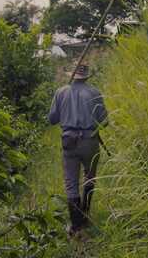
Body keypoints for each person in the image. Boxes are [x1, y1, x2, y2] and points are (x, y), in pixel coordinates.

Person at [48, 63, 108, 237]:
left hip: (69, 141)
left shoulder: (61, 92)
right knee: (90, 178)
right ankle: (85, 216)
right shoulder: (95, 93)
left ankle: (76, 226)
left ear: (72, 75)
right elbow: (104, 121)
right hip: (90, 141)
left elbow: (52, 119)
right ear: (87, 76)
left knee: (71, 183)